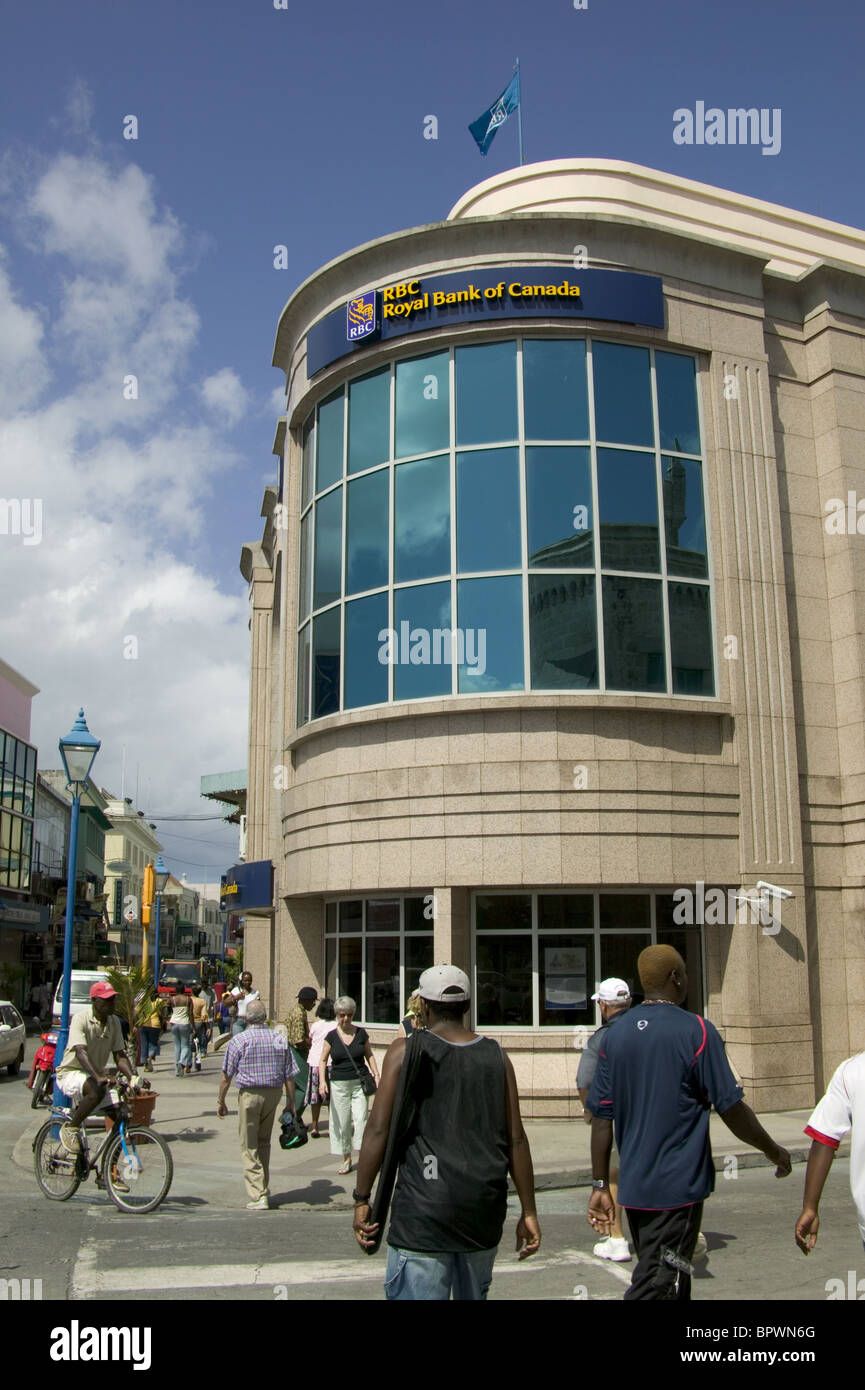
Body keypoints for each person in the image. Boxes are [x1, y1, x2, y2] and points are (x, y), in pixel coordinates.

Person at [586, 944, 792, 1300]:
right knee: (658, 1283)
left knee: (674, 1279)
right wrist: (773, 1151)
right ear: (676, 978)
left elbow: (602, 1119)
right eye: (684, 971)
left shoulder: (613, 1036)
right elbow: (732, 1108)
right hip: (677, 1189)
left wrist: (600, 1185)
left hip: (635, 1190)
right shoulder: (697, 1031)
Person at [352, 964, 541, 1301]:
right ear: (467, 1006)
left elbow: (378, 1130)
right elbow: (516, 1140)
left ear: (423, 1006)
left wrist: (362, 1198)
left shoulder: (404, 1051)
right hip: (481, 1212)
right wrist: (529, 1211)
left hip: (422, 1214)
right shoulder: (497, 1056)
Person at [217, 998, 298, 1210]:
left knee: (248, 1144)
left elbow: (226, 1075)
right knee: (263, 1142)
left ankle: (258, 1193)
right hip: (273, 1094)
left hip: (250, 1095)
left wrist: (221, 1100)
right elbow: (289, 1074)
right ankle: (263, 1186)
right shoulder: (278, 1039)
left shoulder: (240, 1040)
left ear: (246, 1018)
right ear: (265, 1017)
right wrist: (291, 1102)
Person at [577, 977, 632, 1262]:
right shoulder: (645, 1030)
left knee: (613, 1175)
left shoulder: (602, 1038)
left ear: (603, 1006)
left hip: (613, 1119)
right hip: (650, 1118)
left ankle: (617, 1238)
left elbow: (584, 1080)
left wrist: (590, 1111)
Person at [54, 982, 140, 1154]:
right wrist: (99, 1077)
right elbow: (81, 1052)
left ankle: (110, 1166)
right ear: (94, 1001)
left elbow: (119, 1055)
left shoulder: (114, 1022)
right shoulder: (81, 1019)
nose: (111, 1003)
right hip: (71, 1073)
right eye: (106, 1000)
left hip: (94, 1077)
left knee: (121, 1114)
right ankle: (71, 1128)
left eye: (113, 999)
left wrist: (133, 1077)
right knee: (96, 1090)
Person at [795, 1049, 865, 1256]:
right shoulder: (850, 1072)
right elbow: (824, 1138)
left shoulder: (852, 1070)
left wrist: (810, 1206)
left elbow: (824, 1138)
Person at [319, 995, 380, 1175]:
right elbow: (322, 1060)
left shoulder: (361, 1033)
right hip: (339, 1084)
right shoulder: (331, 1036)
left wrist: (376, 1074)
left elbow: (369, 1054)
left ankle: (363, 1156)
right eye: (342, 1015)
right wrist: (322, 1082)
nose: (346, 1019)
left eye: (349, 1015)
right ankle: (346, 1158)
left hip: (359, 1083)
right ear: (337, 1015)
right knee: (342, 1122)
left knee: (361, 1119)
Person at [305, 997, 336, 1137]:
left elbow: (311, 1038)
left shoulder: (316, 1025)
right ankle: (332, 1126)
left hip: (315, 1063)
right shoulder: (336, 1026)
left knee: (315, 1097)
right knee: (332, 1097)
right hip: (331, 1063)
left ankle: (315, 1126)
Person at [168, 978, 194, 1076]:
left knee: (177, 1046)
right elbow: (190, 1014)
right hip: (184, 1023)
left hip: (174, 1023)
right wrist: (193, 1027)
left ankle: (177, 1071)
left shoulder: (172, 999)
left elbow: (167, 1010)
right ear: (184, 989)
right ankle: (182, 1062)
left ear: (175, 990)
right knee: (185, 1045)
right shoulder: (188, 999)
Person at [285, 987, 318, 1057]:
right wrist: (312, 1044)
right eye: (313, 1001)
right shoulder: (299, 1013)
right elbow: (299, 1040)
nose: (314, 1004)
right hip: (297, 1053)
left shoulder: (300, 1010)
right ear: (305, 1000)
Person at [230, 971, 259, 1036]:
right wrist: (236, 997)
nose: (247, 982)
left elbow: (258, 1008)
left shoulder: (255, 993)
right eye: (245, 980)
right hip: (238, 1021)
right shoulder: (236, 990)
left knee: (249, 1040)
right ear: (242, 981)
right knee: (238, 1040)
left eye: (249, 980)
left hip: (250, 1022)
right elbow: (226, 1003)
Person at [140, 996, 165, 1072]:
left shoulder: (143, 1002)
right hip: (155, 1025)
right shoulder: (159, 1001)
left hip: (144, 1024)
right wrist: (162, 1026)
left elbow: (138, 1012)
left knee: (144, 1045)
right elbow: (162, 1015)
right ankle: (150, 1058)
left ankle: (146, 1065)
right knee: (153, 1044)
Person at [190, 985, 210, 1071]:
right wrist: (208, 1027)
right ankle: (197, 1063)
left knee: (189, 1043)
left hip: (189, 1023)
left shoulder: (189, 1000)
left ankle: (188, 1063)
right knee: (197, 1043)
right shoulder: (202, 1001)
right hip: (199, 1023)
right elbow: (204, 1015)